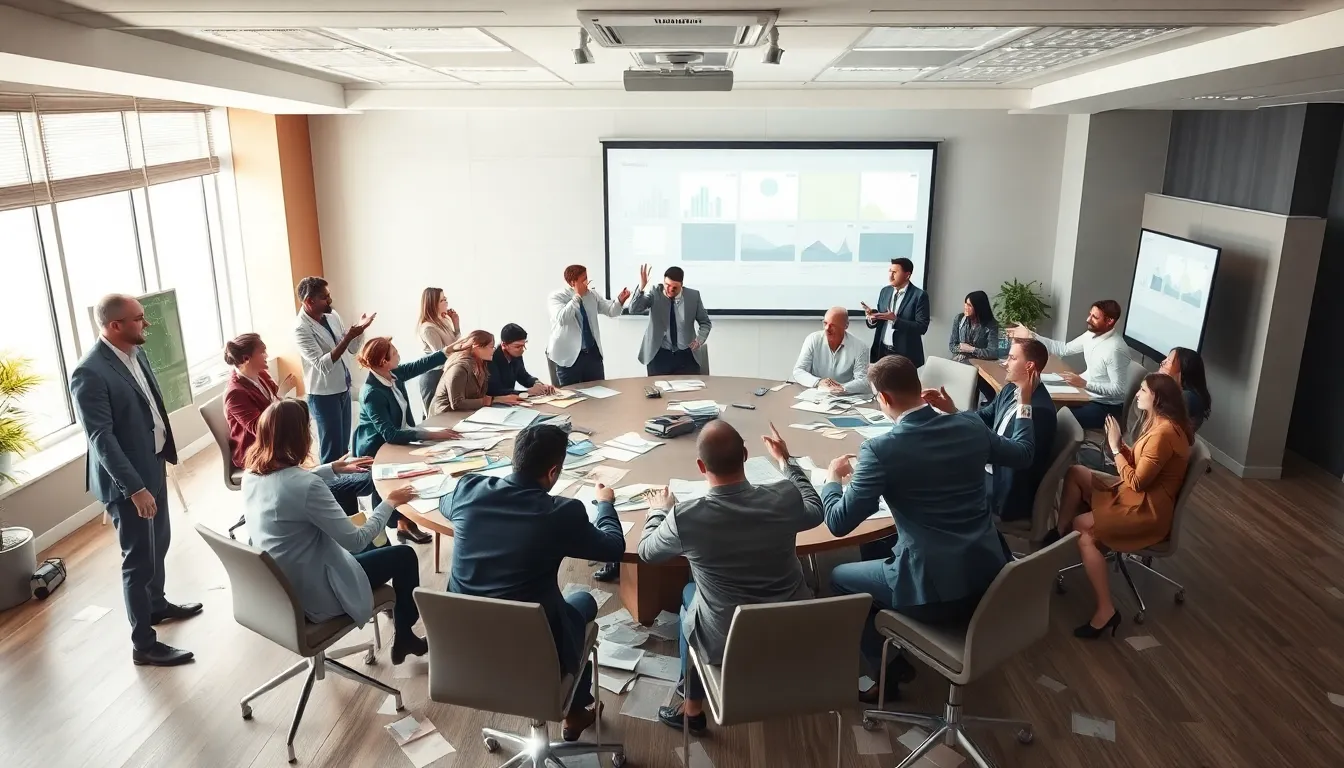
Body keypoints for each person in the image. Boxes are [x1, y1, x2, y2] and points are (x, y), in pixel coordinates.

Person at [822, 355, 1036, 701]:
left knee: (838, 576)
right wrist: (1024, 402)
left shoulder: (880, 449)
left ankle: (886, 669)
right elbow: (1023, 453)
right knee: (880, 543)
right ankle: (890, 638)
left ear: (884, 398)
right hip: (990, 577)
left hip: (934, 594)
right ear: (918, 387)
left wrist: (832, 480)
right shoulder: (969, 425)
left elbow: (837, 522)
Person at [638, 421, 824, 735]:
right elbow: (815, 510)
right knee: (694, 593)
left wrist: (659, 510)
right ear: (746, 455)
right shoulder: (784, 495)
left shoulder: (685, 517)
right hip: (794, 628)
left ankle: (692, 708)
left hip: (728, 641)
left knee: (689, 598)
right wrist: (787, 461)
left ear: (701, 466)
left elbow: (647, 552)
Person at [443, 424, 625, 741]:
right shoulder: (560, 513)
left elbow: (446, 505)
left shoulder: (468, 490)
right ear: (553, 472)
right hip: (534, 656)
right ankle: (575, 712)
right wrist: (605, 503)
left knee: (562, 606)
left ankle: (574, 710)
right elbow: (613, 547)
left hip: (464, 652)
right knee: (583, 602)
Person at [241, 399, 428, 663]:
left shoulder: (251, 476)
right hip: (317, 595)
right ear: (299, 437)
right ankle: (405, 636)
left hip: (281, 591)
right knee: (403, 556)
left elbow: (287, 486)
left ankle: (400, 625)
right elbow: (356, 541)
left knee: (374, 539)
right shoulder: (306, 486)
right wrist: (390, 502)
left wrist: (332, 468)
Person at [70, 294, 201, 667]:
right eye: (139, 318)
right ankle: (143, 644)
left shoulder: (136, 353)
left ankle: (156, 605)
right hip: (128, 483)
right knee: (138, 560)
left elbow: (149, 406)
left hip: (152, 463)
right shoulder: (89, 372)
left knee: (160, 542)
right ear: (115, 326)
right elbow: (102, 439)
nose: (147, 323)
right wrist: (136, 489)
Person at [1048, 374, 1192, 639]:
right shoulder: (1160, 424)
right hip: (1135, 495)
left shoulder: (1163, 435)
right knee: (1076, 473)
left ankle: (1106, 611)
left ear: (1157, 398)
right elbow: (1142, 466)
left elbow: (1137, 481)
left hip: (1146, 510)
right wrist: (1123, 447)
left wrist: (1116, 448)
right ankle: (1058, 539)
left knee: (1084, 529)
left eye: (1143, 390)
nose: (1137, 394)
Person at [222, 333, 374, 517]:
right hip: (258, 452)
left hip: (277, 444)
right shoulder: (235, 393)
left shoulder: (260, 374)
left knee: (340, 473)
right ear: (247, 359)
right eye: (262, 352)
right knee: (338, 480)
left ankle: (346, 514)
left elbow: (276, 401)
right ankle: (343, 516)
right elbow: (260, 429)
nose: (266, 355)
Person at [923, 338, 1056, 523]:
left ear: (1029, 366)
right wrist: (952, 410)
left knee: (938, 485)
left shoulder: (1040, 410)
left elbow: (1021, 462)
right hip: (991, 469)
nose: (1005, 363)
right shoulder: (1011, 389)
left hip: (1003, 492)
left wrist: (974, 455)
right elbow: (984, 416)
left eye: (1012, 358)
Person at [352, 336, 460, 544]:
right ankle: (386, 533)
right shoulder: (372, 393)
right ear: (383, 361)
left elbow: (418, 365)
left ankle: (405, 523)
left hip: (400, 436)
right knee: (388, 486)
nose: (398, 355)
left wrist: (448, 350)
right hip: (378, 447)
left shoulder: (392, 374)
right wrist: (432, 434)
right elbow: (390, 434)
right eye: (394, 353)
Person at [1008, 299, 1132, 429]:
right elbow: (1064, 349)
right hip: (1084, 395)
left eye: (1095, 317)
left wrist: (1085, 384)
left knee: (1051, 417)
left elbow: (1119, 391)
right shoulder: (1091, 335)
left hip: (1105, 407)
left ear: (1110, 321)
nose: (1088, 319)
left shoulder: (1116, 349)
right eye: (1090, 314)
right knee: (1038, 401)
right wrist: (1032, 335)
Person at [293, 276, 375, 463]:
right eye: (324, 297)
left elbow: (351, 349)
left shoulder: (332, 316)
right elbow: (323, 365)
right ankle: (330, 482)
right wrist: (348, 338)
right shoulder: (300, 329)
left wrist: (360, 330)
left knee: (344, 447)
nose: (330, 300)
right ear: (309, 301)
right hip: (323, 395)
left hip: (343, 387)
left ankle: (345, 482)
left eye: (329, 295)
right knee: (331, 450)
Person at [546, 264, 631, 386]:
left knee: (599, 392)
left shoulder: (592, 295)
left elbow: (611, 311)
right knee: (571, 395)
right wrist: (577, 296)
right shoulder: (557, 297)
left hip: (592, 355)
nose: (587, 282)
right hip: (569, 359)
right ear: (573, 282)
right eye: (584, 279)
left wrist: (620, 300)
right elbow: (562, 319)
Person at [630, 265, 712, 376]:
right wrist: (641, 287)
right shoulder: (655, 293)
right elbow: (633, 309)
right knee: (658, 386)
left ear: (681, 285)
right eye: (667, 285)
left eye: (675, 287)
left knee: (689, 387)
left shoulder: (693, 296)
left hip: (686, 356)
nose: (670, 290)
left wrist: (699, 340)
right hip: (659, 354)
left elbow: (705, 322)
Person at [430, 330, 521, 415]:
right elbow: (457, 403)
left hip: (464, 413)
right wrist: (495, 400)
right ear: (477, 347)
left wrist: (502, 399)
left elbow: (479, 396)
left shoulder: (482, 365)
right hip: (445, 416)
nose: (493, 350)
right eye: (491, 347)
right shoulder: (459, 368)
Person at [864, 257, 930, 368]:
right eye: (890, 271)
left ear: (907, 275)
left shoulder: (919, 296)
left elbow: (921, 327)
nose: (890, 276)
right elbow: (882, 318)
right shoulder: (885, 291)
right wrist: (873, 318)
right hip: (882, 352)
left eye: (895, 272)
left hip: (905, 355)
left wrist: (895, 320)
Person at [791, 307, 870, 395]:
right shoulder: (813, 340)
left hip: (845, 396)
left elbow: (863, 381)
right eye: (825, 323)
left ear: (846, 325)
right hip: (816, 395)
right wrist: (819, 382)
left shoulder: (860, 347)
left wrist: (842, 388)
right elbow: (798, 371)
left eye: (833, 325)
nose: (827, 328)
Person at [415, 287, 460, 410]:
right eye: (442, 300)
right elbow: (442, 355)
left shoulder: (445, 320)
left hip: (446, 372)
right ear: (433, 304)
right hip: (434, 376)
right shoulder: (427, 328)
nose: (446, 302)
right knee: (434, 414)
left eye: (445, 298)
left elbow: (456, 346)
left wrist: (456, 324)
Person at [487, 323, 556, 398]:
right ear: (504, 345)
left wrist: (538, 384)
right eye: (518, 346)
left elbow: (524, 377)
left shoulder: (516, 355)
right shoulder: (491, 358)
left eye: (524, 345)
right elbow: (495, 391)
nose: (522, 350)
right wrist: (526, 393)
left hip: (510, 400)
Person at [949, 290, 1000, 363]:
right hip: (959, 361)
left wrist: (971, 349)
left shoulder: (992, 325)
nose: (965, 307)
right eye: (965, 304)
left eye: (969, 305)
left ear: (978, 308)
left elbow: (993, 353)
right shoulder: (959, 319)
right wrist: (960, 348)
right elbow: (952, 345)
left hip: (979, 364)